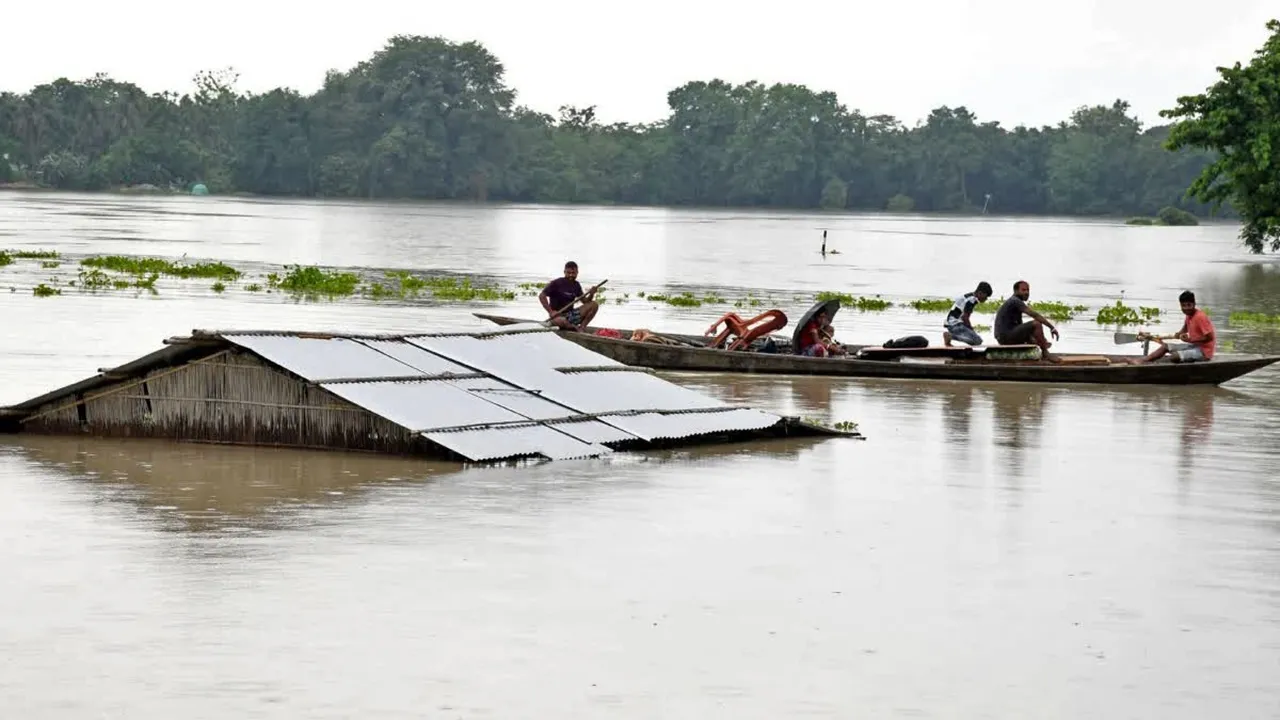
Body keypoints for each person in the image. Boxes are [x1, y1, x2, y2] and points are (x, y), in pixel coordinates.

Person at [1129, 290, 1216, 364]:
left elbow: (1210, 337)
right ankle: (1142, 361)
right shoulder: (1189, 315)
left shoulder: (1200, 317)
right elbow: (1186, 327)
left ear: (1194, 304)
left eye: (1189, 305)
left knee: (1174, 357)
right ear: (1180, 305)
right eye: (1183, 305)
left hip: (1204, 352)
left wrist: (1190, 339)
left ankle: (1157, 365)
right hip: (1193, 346)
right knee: (1165, 347)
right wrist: (1179, 334)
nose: (1186, 308)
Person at [993, 280, 1060, 360]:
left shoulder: (1014, 301)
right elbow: (1035, 315)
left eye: (1028, 290)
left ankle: (1040, 345)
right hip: (1005, 337)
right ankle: (1045, 352)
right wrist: (1052, 327)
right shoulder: (1015, 301)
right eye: (1023, 290)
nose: (1027, 292)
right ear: (1016, 291)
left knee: (1034, 335)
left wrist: (1034, 338)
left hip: (1004, 336)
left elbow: (1020, 326)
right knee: (1036, 324)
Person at [539, 261, 599, 331]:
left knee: (594, 305)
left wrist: (591, 294)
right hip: (557, 316)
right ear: (564, 272)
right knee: (561, 321)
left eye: (573, 273)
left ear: (577, 273)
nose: (571, 275)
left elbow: (585, 302)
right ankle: (572, 327)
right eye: (568, 273)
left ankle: (582, 327)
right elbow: (542, 296)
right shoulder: (557, 283)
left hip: (571, 315)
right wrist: (551, 312)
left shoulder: (576, 285)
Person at [942, 281, 993, 347]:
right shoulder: (972, 300)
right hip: (956, 325)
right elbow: (965, 317)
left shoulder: (968, 296)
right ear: (980, 293)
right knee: (978, 341)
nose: (986, 299)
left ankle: (949, 340)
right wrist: (971, 330)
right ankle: (951, 336)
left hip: (950, 324)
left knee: (974, 338)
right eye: (986, 296)